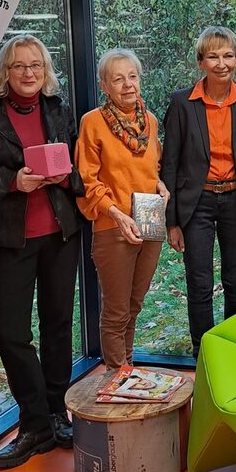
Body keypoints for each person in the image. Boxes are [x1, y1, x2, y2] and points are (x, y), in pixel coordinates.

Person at [0, 35, 84, 469]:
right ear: (4, 72)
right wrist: (12, 181)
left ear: (46, 72)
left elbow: (79, 163)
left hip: (61, 232)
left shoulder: (58, 109)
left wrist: (66, 176)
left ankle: (57, 413)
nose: (29, 73)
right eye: (19, 66)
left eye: (36, 66)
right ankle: (34, 423)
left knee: (58, 324)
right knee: (9, 330)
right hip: (12, 236)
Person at [160, 26, 236, 358]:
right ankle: (203, 353)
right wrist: (172, 222)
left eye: (229, 56)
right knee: (199, 283)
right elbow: (170, 164)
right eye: (213, 56)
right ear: (201, 62)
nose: (222, 63)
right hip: (196, 204)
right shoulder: (182, 103)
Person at [75, 49, 169, 369]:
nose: (128, 84)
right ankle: (118, 377)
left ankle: (127, 371)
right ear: (104, 85)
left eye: (133, 76)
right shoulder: (93, 122)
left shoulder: (150, 121)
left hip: (150, 215)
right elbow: (86, 180)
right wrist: (116, 213)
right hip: (114, 221)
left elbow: (152, 166)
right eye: (118, 79)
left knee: (135, 305)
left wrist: (161, 185)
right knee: (116, 312)